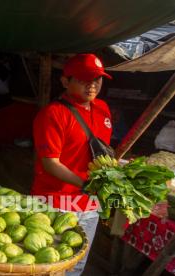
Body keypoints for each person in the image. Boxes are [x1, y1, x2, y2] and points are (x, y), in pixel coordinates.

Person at [31, 54, 113, 275]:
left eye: (97, 79)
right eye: (84, 79)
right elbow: (50, 164)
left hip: (90, 205)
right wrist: (85, 183)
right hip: (57, 202)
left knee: (77, 264)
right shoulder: (53, 114)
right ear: (65, 81)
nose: (93, 85)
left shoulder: (103, 108)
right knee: (51, 263)